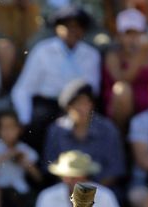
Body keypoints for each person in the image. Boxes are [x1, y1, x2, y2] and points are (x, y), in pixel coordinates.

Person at [10, 5, 100, 151]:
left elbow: (92, 89)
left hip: (78, 104)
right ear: (57, 28)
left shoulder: (91, 54)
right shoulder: (42, 51)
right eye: (68, 26)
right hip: (48, 105)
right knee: (37, 124)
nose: (73, 31)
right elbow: (23, 89)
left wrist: (77, 108)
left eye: (78, 26)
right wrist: (25, 120)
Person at [43, 79, 126, 189]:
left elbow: (115, 169)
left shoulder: (107, 130)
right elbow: (50, 165)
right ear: (67, 107)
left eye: (85, 103)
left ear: (91, 104)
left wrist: (88, 190)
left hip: (101, 192)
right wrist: (71, 186)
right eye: (76, 103)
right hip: (64, 192)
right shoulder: (56, 130)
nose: (81, 108)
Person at [102, 8, 148, 131]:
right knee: (123, 90)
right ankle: (119, 137)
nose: (132, 38)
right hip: (120, 110)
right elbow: (123, 80)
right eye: (128, 33)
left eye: (136, 33)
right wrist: (140, 56)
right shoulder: (113, 56)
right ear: (119, 36)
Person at [0, 110, 42, 204]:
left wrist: (24, 162)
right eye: (4, 127)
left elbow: (38, 177)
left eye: (11, 127)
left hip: (20, 191)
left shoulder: (25, 149)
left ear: (19, 129)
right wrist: (8, 155)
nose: (8, 131)